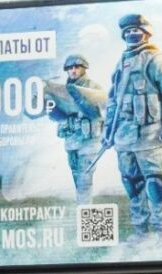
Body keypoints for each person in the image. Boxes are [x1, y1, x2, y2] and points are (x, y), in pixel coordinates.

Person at [103, 14, 162, 244]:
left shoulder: (156, 59)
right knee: (132, 183)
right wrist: (107, 132)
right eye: (127, 31)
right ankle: (142, 232)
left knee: (154, 183)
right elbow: (112, 102)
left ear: (146, 32)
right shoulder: (121, 63)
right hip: (123, 137)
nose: (131, 34)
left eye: (135, 30)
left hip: (150, 135)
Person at [49, 54, 106, 205]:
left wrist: (80, 99)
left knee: (84, 179)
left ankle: (84, 211)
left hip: (89, 141)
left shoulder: (93, 88)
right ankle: (83, 208)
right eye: (70, 68)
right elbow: (57, 114)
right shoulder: (62, 90)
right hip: (71, 140)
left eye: (77, 67)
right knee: (76, 177)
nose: (73, 70)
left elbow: (101, 112)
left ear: (83, 68)